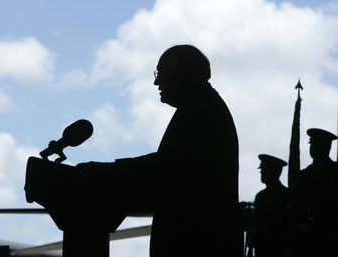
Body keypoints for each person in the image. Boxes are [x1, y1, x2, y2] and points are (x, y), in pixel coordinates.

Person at [71, 44, 242, 257]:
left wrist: (103, 173)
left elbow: (166, 170)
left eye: (161, 73)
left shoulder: (201, 110)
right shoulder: (202, 106)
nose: (156, 81)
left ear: (181, 75)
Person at [289, 128, 338, 257]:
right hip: (303, 241)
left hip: (328, 239)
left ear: (327, 147)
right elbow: (296, 205)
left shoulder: (334, 171)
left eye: (317, 144)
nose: (313, 148)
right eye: (311, 144)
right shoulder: (302, 175)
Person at [251, 154, 289, 257]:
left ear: (275, 172)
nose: (261, 172)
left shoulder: (287, 196)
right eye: (261, 169)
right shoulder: (259, 196)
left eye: (265, 169)